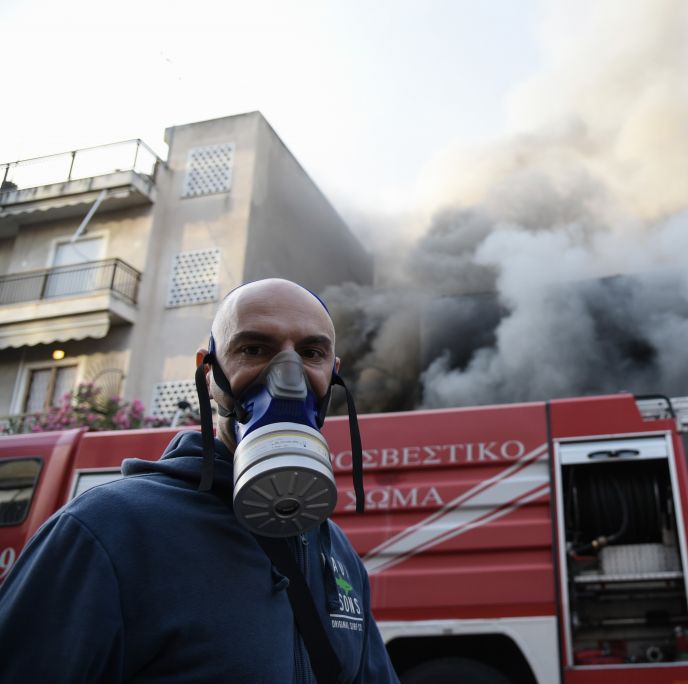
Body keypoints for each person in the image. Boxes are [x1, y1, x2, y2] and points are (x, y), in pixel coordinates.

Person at [0, 278, 399, 683]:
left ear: (332, 373)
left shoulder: (337, 553)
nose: (288, 376)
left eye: (311, 353)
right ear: (208, 373)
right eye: (254, 349)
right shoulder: (108, 531)